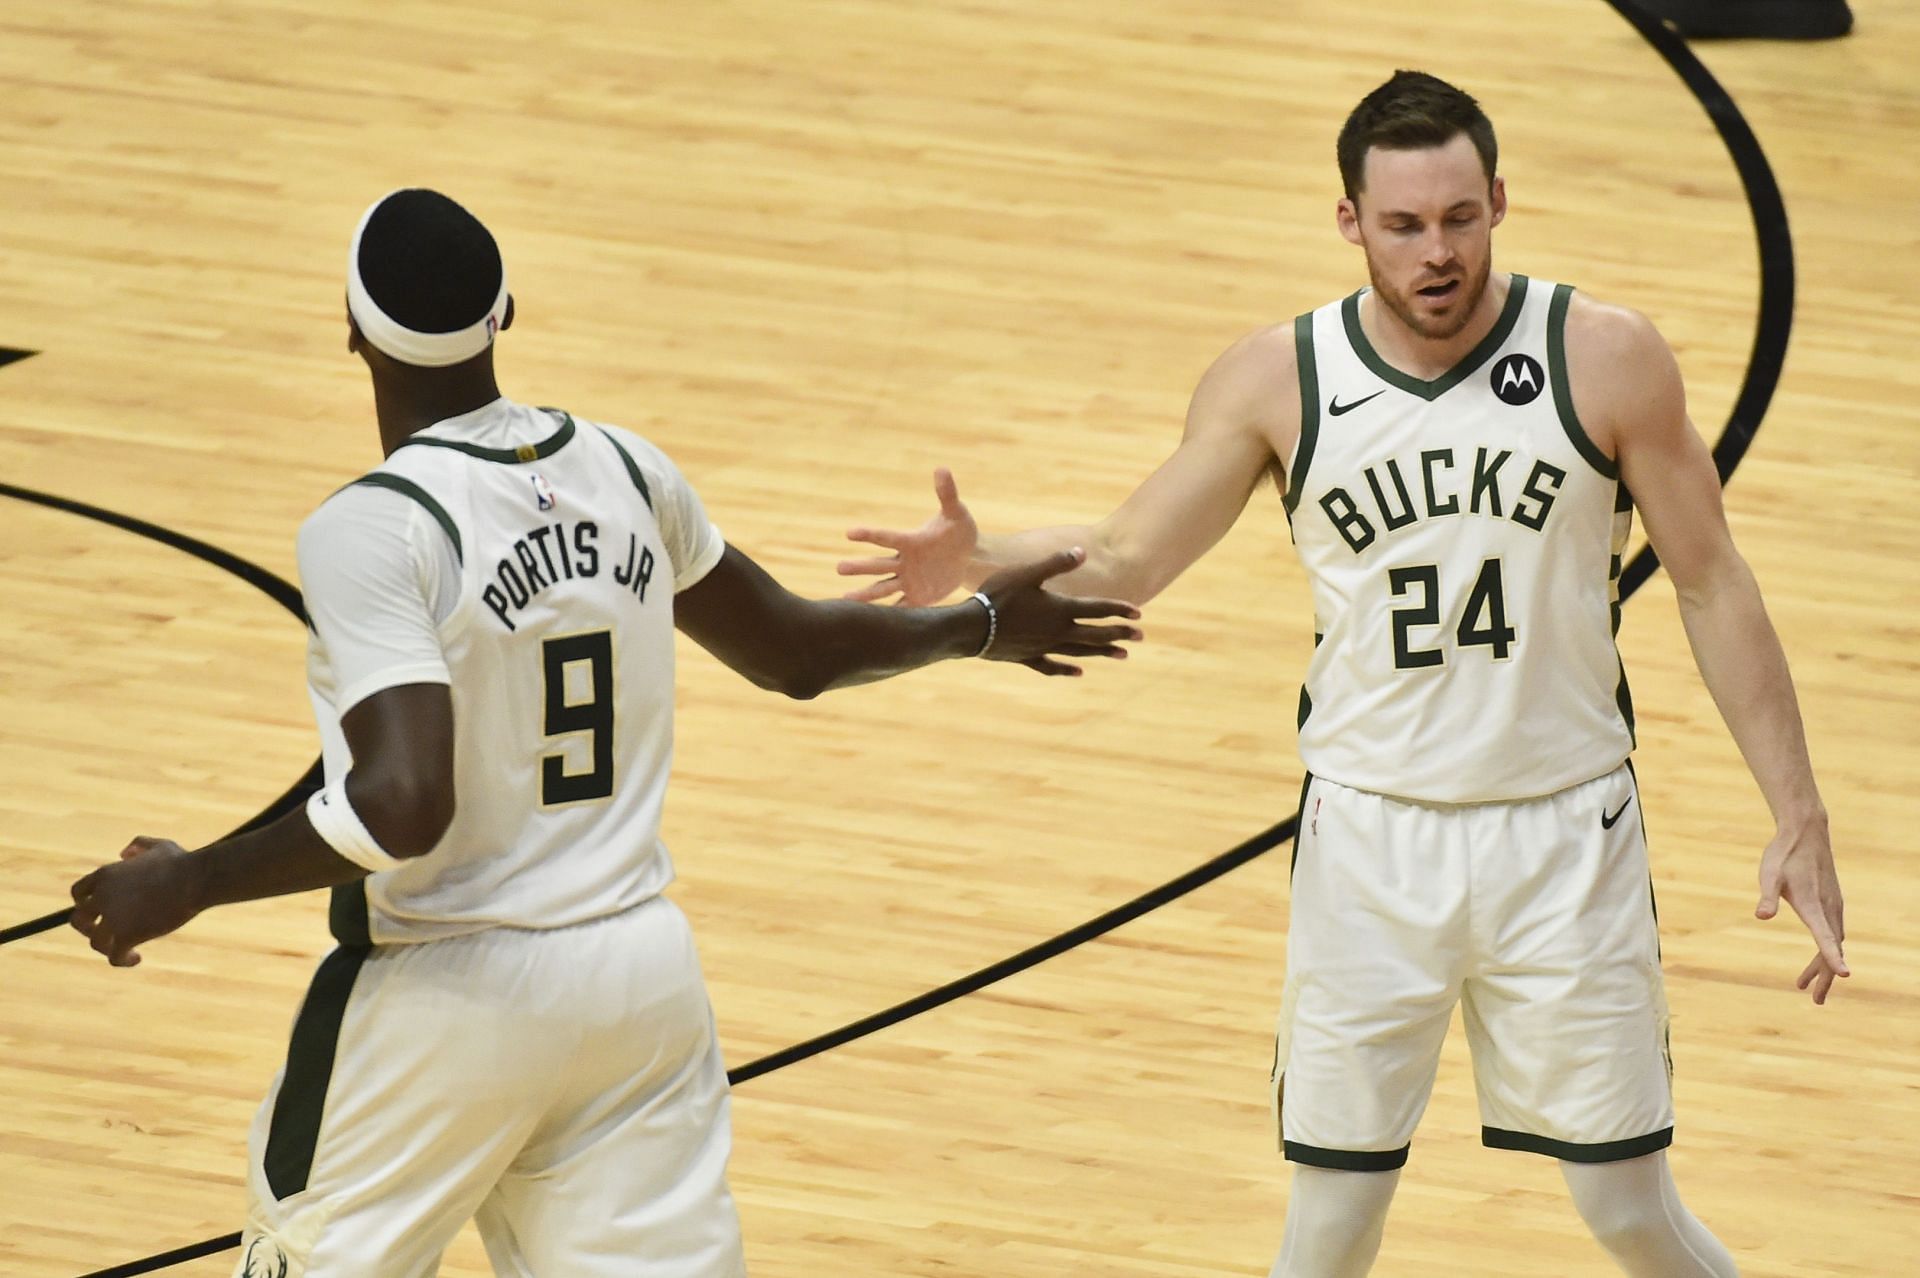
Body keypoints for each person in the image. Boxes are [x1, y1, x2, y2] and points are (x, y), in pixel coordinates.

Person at [838, 70, 1846, 1278]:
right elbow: (1129, 558)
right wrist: (984, 553)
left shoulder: (1607, 358)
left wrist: (1798, 810)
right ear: (1350, 221)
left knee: (1628, 1208)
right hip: (1371, 842)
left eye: (1461, 219)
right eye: (1407, 224)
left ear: (1500, 204)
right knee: (1327, 1230)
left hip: (1565, 833)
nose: (1438, 253)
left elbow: (1710, 580)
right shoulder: (1279, 379)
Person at [66, 187, 1143, 1278]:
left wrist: (194, 879)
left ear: (349, 325)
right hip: (636, 985)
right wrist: (980, 623)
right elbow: (796, 655)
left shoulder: (372, 527)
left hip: (447, 993)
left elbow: (402, 803)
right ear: (506, 314)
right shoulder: (625, 469)